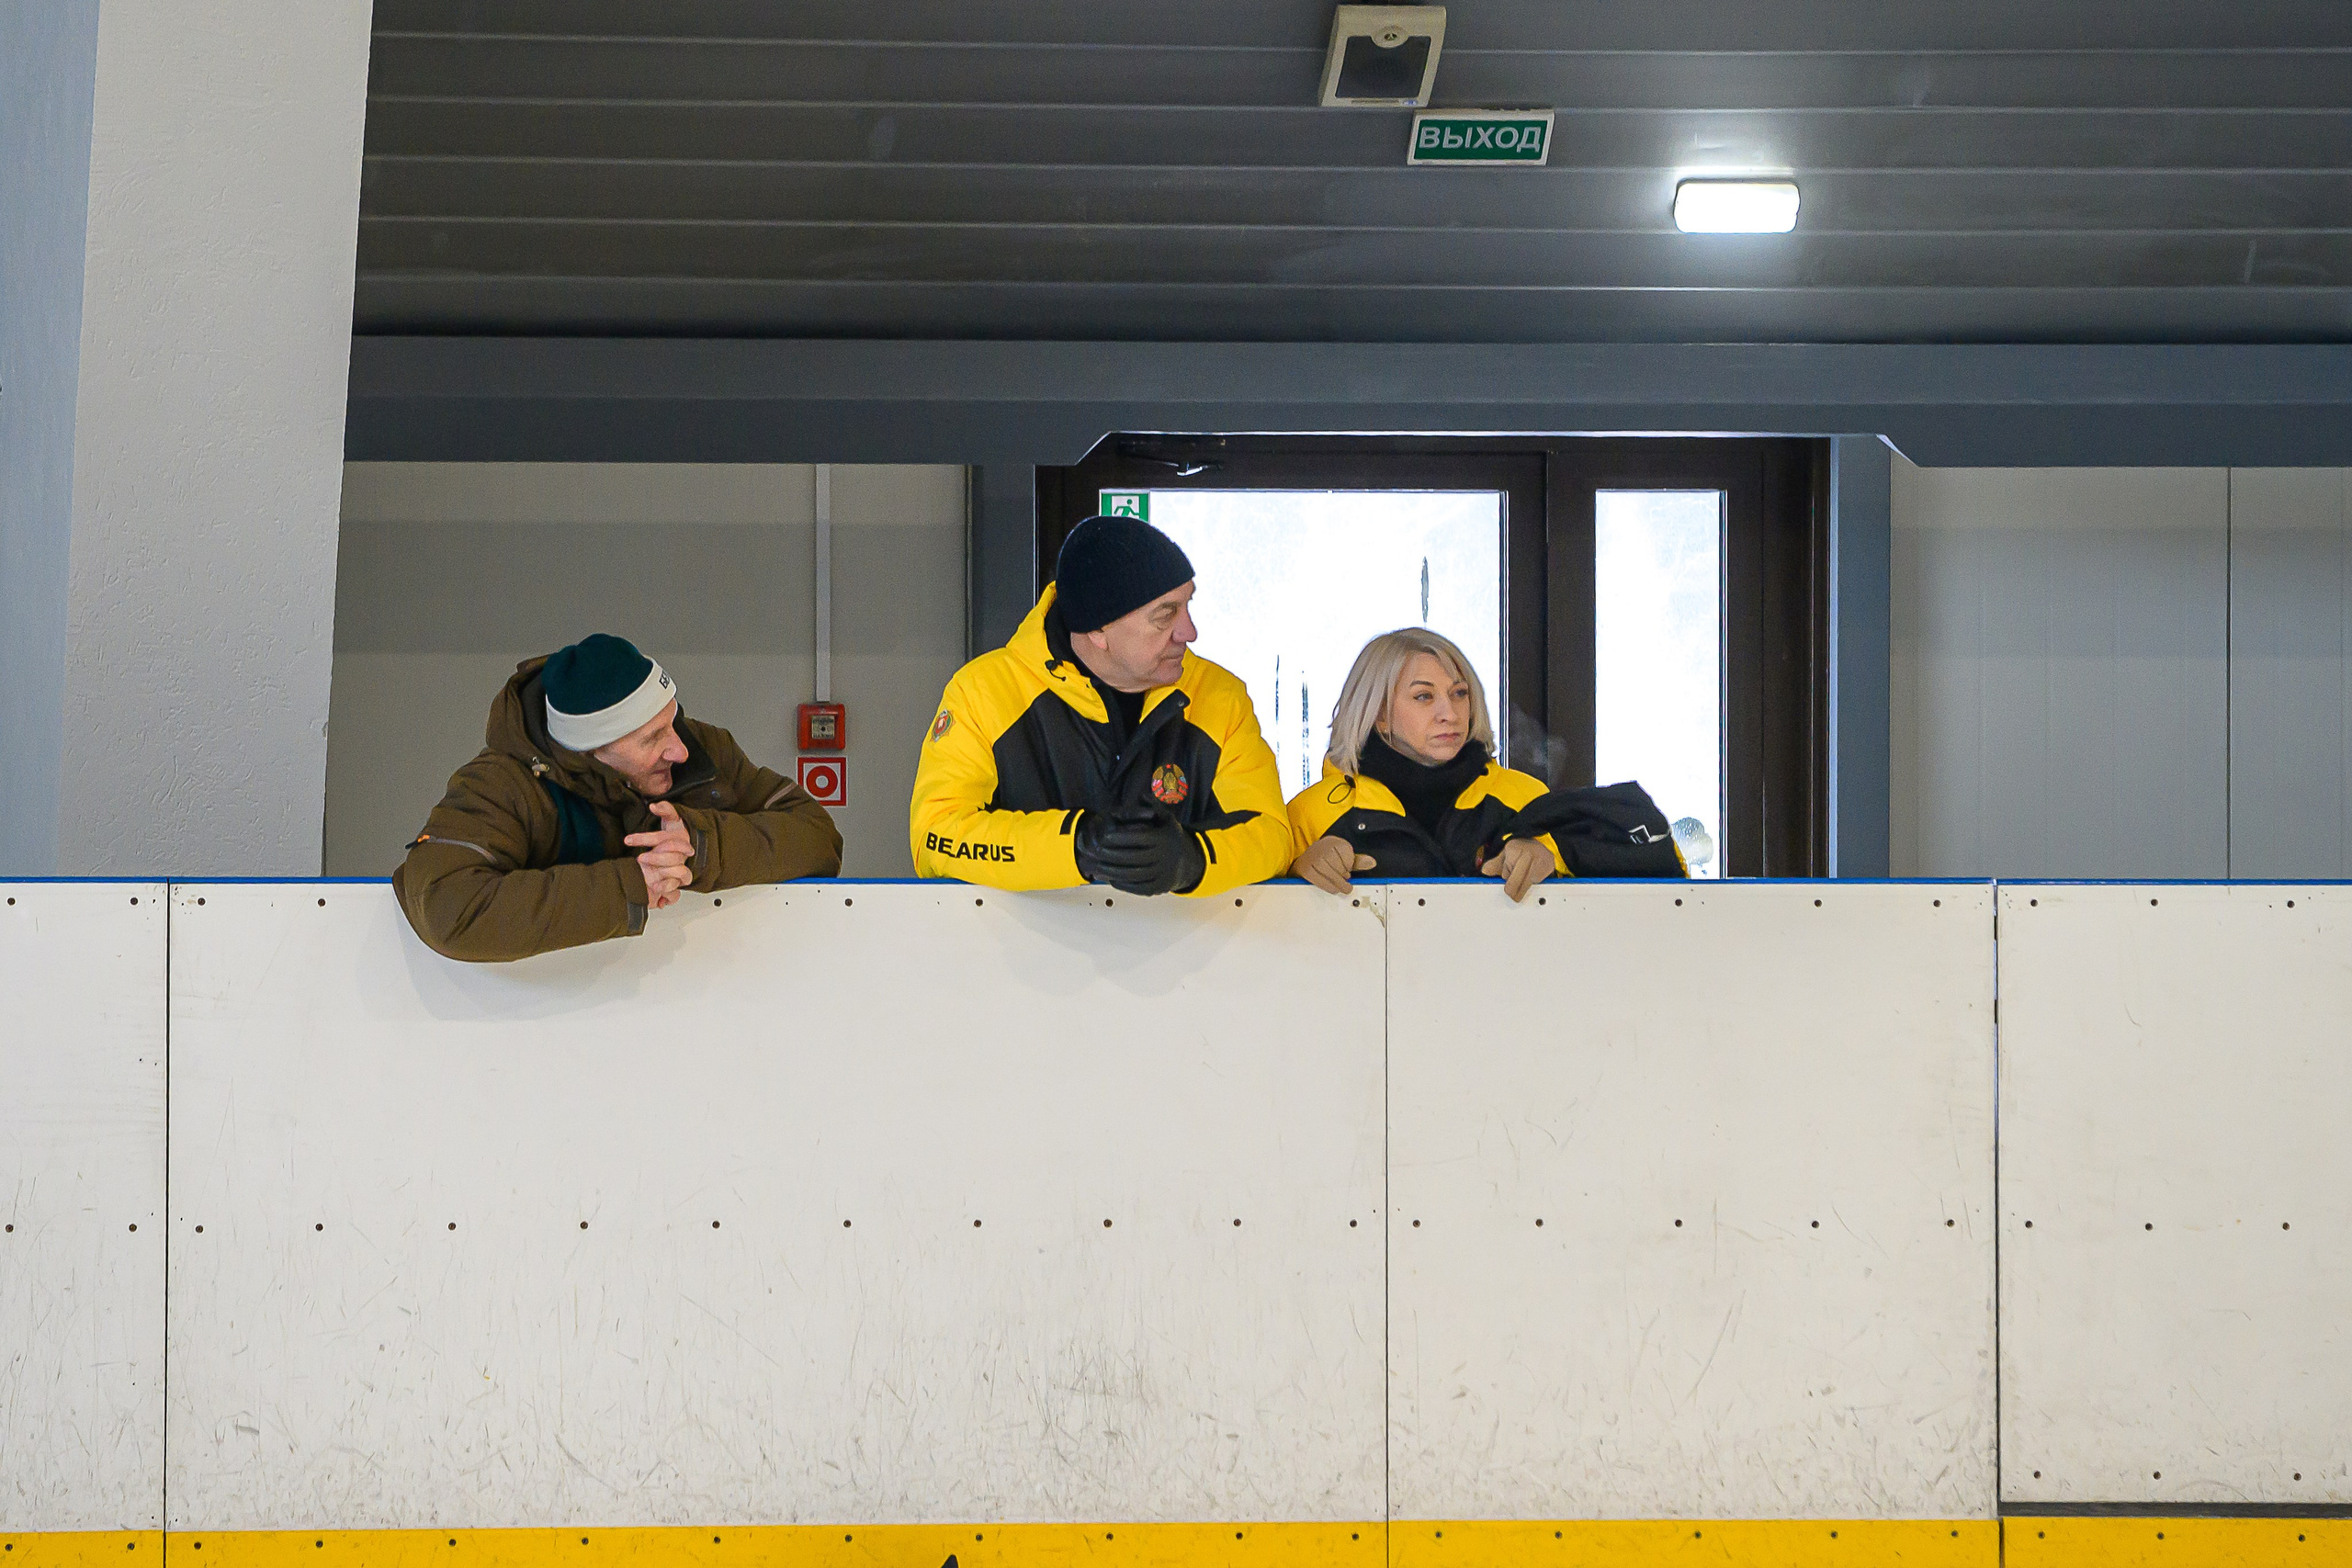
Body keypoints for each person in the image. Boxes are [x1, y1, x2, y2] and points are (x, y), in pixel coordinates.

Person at [395, 635, 842, 961]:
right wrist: (629, 887)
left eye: (672, 720)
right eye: (652, 738)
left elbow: (819, 838)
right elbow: (448, 906)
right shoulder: (501, 786)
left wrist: (702, 846)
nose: (679, 750)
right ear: (591, 751)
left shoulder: (705, 751)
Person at [910, 514, 1290, 897]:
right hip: (1024, 937)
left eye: (1187, 605)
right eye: (1165, 615)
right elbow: (935, 837)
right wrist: (1077, 846)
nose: (1189, 632)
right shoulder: (983, 693)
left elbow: (1273, 836)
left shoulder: (1219, 696)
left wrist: (1194, 860)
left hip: (1185, 937)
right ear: (1097, 630)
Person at [1289, 628, 1687, 901]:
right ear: (1378, 715)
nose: (1450, 713)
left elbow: (1672, 876)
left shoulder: (1521, 795)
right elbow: (1255, 919)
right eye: (1424, 697)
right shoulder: (1312, 813)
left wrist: (1554, 855)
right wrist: (1293, 875)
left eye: (1459, 693)